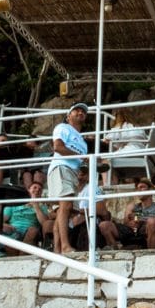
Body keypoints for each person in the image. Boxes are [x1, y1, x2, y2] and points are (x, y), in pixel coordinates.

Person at [47, 102, 90, 254]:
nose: (80, 112)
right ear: (68, 115)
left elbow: (80, 161)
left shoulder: (83, 142)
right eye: (76, 110)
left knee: (66, 210)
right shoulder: (63, 127)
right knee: (65, 206)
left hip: (73, 173)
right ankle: (65, 246)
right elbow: (58, 147)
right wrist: (82, 157)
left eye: (83, 111)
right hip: (62, 167)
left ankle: (57, 249)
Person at [124, 178, 155, 249]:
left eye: (142, 187)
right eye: (137, 188)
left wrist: (142, 221)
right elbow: (126, 224)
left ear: (150, 190)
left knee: (152, 222)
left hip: (152, 230)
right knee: (106, 225)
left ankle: (152, 252)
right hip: (136, 232)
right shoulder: (134, 207)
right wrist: (131, 223)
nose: (139, 190)